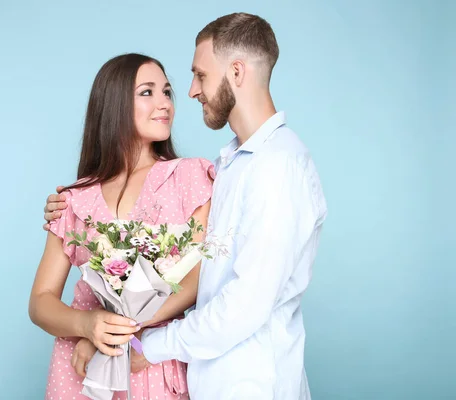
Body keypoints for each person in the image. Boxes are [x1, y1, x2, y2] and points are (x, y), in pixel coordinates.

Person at [43, 12, 328, 400]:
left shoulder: (275, 166)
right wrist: (97, 327)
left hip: (254, 383)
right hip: (212, 380)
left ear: (237, 72)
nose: (190, 91)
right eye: (149, 91)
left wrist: (131, 340)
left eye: (200, 75)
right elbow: (211, 275)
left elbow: (242, 305)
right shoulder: (232, 165)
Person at [28, 52, 214, 399]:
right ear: (113, 104)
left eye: (167, 92)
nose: (165, 104)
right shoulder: (73, 199)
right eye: (147, 92)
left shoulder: (189, 178)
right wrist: (87, 326)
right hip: (79, 372)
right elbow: (40, 301)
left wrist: (120, 334)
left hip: (150, 363)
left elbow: (194, 281)